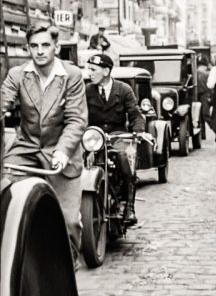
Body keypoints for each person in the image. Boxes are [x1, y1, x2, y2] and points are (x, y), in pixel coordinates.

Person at [2, 23, 88, 269]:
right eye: (34, 46)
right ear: (28, 48)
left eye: (45, 45)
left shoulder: (71, 75)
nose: (40, 51)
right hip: (26, 150)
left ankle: (68, 268)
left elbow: (76, 119)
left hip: (61, 152)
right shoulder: (17, 75)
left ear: (56, 47)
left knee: (69, 221)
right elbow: (2, 103)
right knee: (5, 193)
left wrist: (62, 150)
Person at [85, 53, 146, 225]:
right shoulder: (86, 90)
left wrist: (138, 131)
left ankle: (129, 208)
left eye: (93, 69)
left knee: (125, 158)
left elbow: (135, 114)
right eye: (88, 69)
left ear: (106, 71)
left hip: (117, 137)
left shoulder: (124, 89)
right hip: (93, 138)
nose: (89, 73)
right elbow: (79, 115)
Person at [197, 56, 212, 133]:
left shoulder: (199, 73)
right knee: (201, 115)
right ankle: (202, 133)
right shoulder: (208, 73)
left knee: (205, 115)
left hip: (204, 95)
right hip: (202, 95)